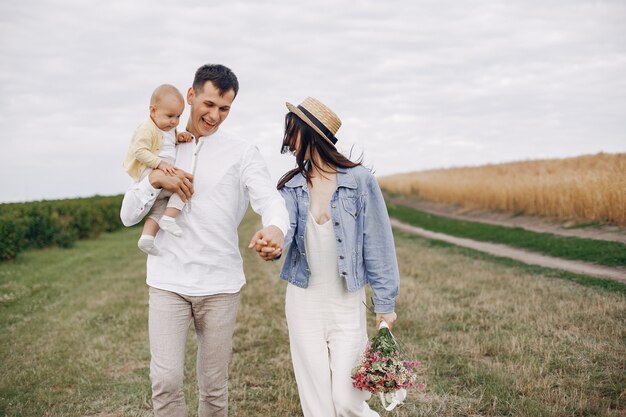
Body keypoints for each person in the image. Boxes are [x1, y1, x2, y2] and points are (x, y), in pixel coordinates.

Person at [120, 64, 289, 417]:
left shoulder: (243, 152)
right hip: (168, 282)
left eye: (224, 108)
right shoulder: (161, 147)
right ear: (191, 96)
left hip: (220, 286)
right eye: (209, 104)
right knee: (165, 382)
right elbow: (128, 216)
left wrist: (274, 229)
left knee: (213, 389)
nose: (214, 116)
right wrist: (155, 182)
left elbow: (270, 200)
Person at [255, 97, 400, 417]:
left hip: (346, 303)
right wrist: (272, 242)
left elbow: (378, 243)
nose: (289, 143)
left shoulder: (359, 181)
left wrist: (385, 303)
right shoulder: (290, 187)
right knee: (318, 406)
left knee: (347, 400)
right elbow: (284, 228)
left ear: (309, 134)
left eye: (292, 133)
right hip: (303, 303)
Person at [122, 84, 194, 255]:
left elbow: (167, 143)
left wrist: (178, 137)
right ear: (153, 111)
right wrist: (159, 165)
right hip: (151, 172)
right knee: (185, 185)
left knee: (160, 207)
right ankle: (169, 218)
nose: (174, 121)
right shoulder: (147, 128)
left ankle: (147, 238)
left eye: (178, 117)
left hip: (163, 176)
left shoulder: (167, 128)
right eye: (170, 116)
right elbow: (139, 151)